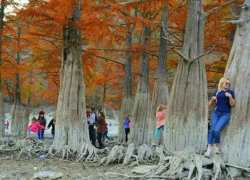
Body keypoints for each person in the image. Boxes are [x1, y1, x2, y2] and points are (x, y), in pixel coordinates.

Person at [205, 77, 235, 158]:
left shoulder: (231, 92)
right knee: (211, 130)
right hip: (216, 113)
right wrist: (212, 99)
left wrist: (230, 97)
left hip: (225, 114)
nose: (228, 85)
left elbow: (232, 104)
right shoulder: (217, 92)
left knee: (216, 130)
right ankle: (209, 149)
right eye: (226, 83)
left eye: (229, 84)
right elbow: (209, 104)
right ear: (222, 83)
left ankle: (217, 146)